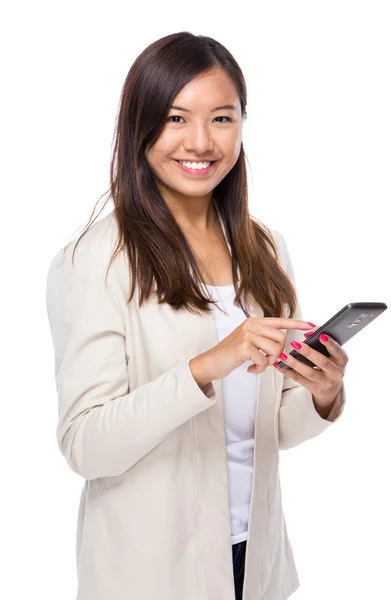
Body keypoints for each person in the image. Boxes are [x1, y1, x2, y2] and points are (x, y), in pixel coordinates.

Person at [45, 31, 347, 600]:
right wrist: (209, 364)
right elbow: (84, 445)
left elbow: (272, 428)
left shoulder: (265, 248)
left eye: (223, 119)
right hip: (148, 575)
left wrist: (323, 393)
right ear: (141, 127)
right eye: (177, 118)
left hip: (254, 563)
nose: (202, 142)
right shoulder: (96, 260)